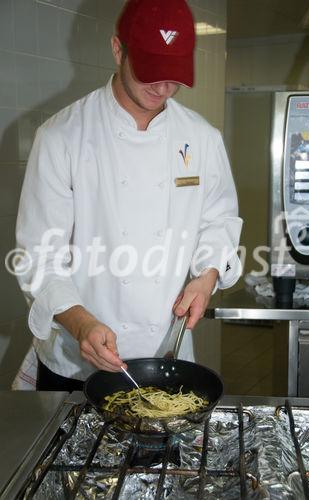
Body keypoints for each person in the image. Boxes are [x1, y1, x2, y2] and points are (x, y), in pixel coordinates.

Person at [15, 0, 242, 391]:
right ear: (118, 49)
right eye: (150, 72)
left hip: (166, 358)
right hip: (76, 364)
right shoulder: (61, 137)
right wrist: (81, 322)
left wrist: (206, 276)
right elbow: (38, 257)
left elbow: (218, 222)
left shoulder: (202, 138)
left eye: (173, 77)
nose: (163, 88)